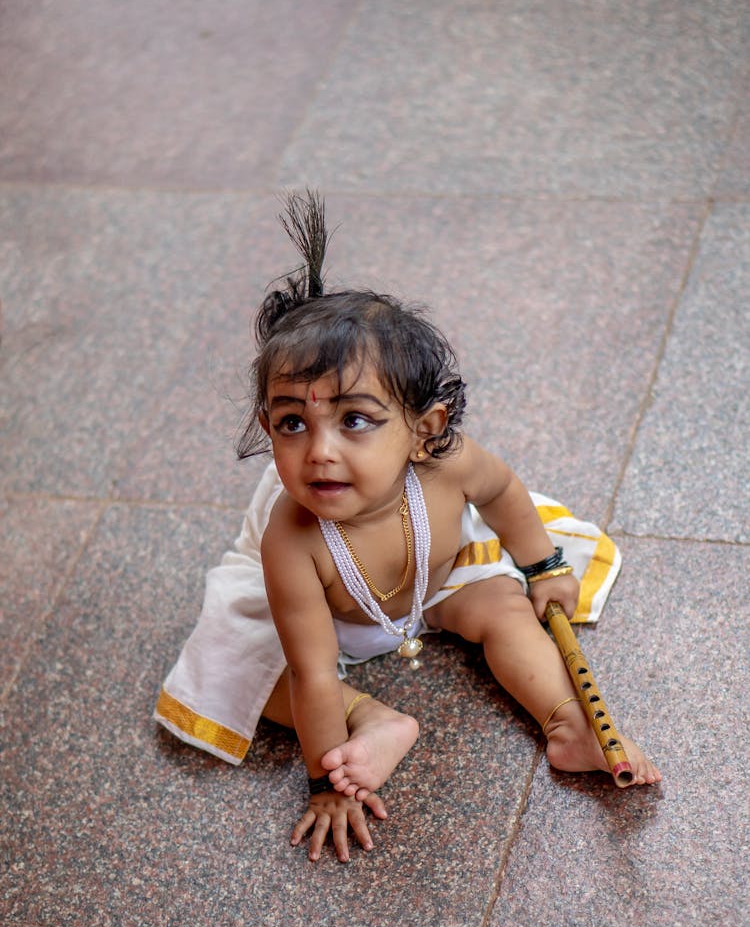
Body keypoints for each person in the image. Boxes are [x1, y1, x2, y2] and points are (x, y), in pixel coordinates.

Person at [155, 191, 661, 863]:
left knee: (506, 607)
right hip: (325, 615)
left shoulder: (450, 469)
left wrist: (542, 567)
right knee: (247, 666)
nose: (319, 451)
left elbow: (507, 494)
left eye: (354, 420)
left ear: (425, 431)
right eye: (291, 423)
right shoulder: (291, 538)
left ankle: (568, 723)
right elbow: (311, 672)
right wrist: (325, 780)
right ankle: (376, 718)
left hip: (436, 575)